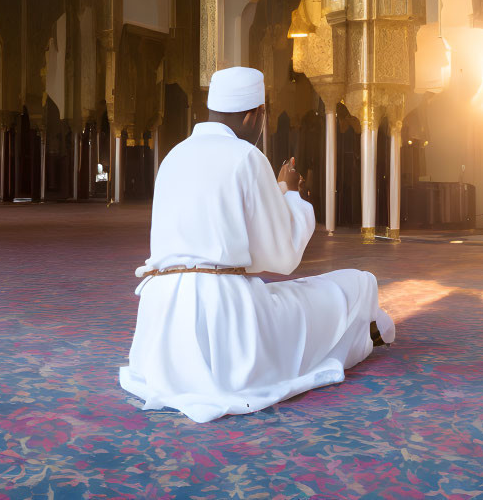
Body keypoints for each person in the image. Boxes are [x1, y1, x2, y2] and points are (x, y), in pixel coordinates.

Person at [119, 66, 395, 423]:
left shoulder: (173, 157)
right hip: (226, 319)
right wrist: (293, 194)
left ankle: (368, 330)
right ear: (254, 115)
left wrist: (275, 191)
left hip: (161, 322)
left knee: (311, 297)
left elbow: (224, 223)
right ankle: (370, 330)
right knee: (354, 284)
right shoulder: (246, 157)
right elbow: (281, 255)